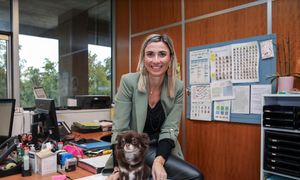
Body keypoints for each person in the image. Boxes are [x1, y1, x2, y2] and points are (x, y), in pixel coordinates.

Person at [104, 34, 203, 180]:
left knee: (196, 176)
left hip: (161, 147)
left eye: (162, 54)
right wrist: (120, 168)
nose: (156, 60)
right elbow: (120, 130)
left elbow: (170, 129)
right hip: (132, 148)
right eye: (150, 54)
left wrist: (159, 161)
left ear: (170, 58)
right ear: (144, 58)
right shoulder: (129, 82)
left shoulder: (178, 87)